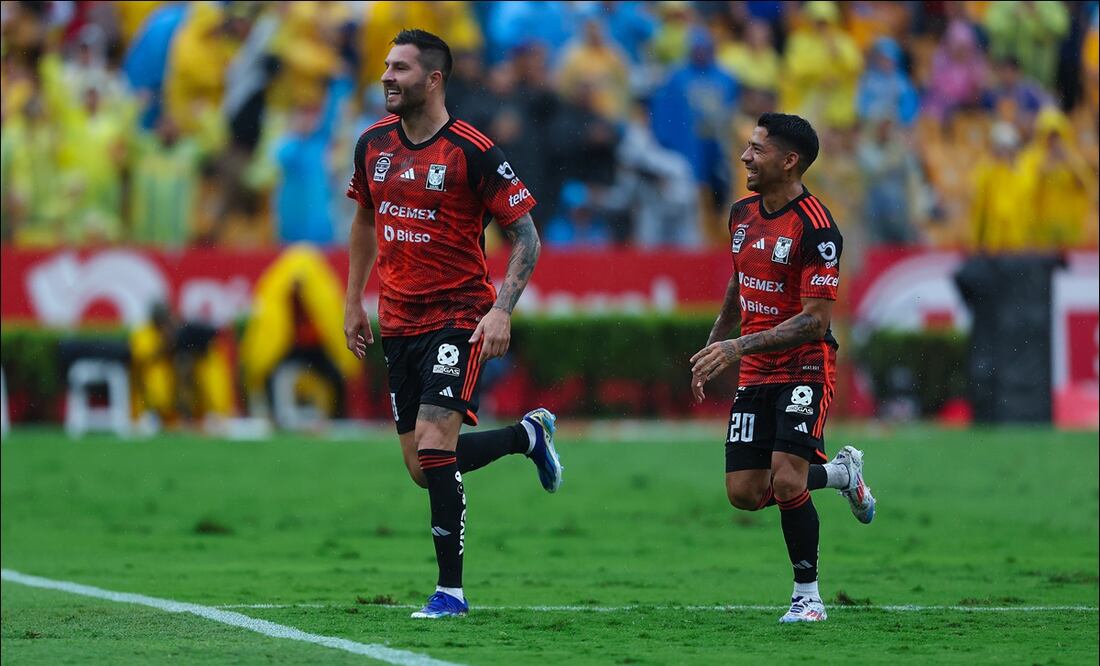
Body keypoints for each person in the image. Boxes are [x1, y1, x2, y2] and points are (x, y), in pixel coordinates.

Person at [342, 30, 564, 620]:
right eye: (386, 66)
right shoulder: (371, 145)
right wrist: (351, 301)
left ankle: (451, 593)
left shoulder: (471, 151)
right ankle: (527, 437)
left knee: (437, 446)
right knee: (422, 468)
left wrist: (500, 309)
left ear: (434, 79)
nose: (387, 77)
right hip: (398, 321)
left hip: (458, 317)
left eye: (401, 69)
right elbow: (365, 219)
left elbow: (527, 237)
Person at [690, 113, 876, 624]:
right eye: (747, 147)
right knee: (745, 493)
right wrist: (716, 343)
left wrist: (736, 348)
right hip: (755, 369)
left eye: (757, 149)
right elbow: (738, 282)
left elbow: (816, 322)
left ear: (789, 161)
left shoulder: (818, 228)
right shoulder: (741, 214)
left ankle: (808, 597)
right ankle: (841, 474)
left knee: (788, 480)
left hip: (804, 366)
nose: (746, 157)